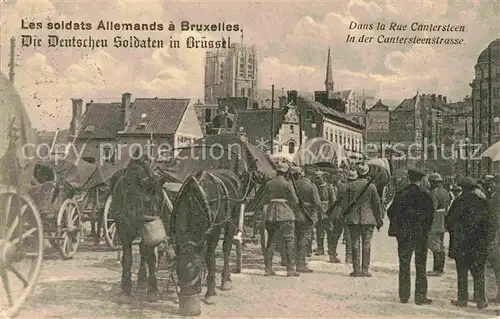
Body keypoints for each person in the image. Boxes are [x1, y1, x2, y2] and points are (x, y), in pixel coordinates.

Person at [447, 177, 497, 309]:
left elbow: (449, 221)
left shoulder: (458, 202)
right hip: (479, 245)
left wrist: (455, 234)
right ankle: (481, 300)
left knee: (462, 273)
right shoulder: (483, 203)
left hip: (461, 244)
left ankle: (462, 299)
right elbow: (491, 224)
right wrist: (487, 240)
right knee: (479, 272)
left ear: (463, 188)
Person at [387, 167, 434, 305]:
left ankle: (404, 295)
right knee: (421, 265)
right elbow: (430, 216)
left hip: (404, 235)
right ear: (421, 179)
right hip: (420, 235)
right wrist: (425, 229)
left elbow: (391, 212)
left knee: (404, 264)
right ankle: (420, 296)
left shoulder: (401, 194)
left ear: (409, 178)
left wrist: (398, 226)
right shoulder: (425, 196)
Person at [252, 162, 300, 276]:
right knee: (289, 241)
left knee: (271, 242)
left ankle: (268, 268)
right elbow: (295, 201)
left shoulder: (269, 184)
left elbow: (264, 200)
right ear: (286, 172)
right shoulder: (288, 184)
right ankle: (291, 269)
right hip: (286, 215)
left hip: (271, 215)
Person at [342, 163, 383, 277]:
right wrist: (379, 220)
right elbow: (376, 205)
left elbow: (345, 204)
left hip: (353, 219)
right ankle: (365, 269)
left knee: (355, 244)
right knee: (367, 244)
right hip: (369, 219)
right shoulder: (372, 186)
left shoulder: (350, 186)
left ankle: (356, 270)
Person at [292, 166, 321, 272]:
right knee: (304, 239)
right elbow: (317, 203)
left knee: (295, 238)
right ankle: (301, 263)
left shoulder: (295, 184)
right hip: (307, 216)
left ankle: (291, 260)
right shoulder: (311, 186)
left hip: (294, 215)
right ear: (312, 175)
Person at [427, 173, 451, 277]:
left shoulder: (434, 193)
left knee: (435, 245)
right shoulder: (445, 192)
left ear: (434, 182)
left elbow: (432, 208)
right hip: (443, 220)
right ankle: (440, 268)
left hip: (436, 221)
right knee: (440, 245)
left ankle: (437, 269)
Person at [314, 170, 337, 262]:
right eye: (316, 178)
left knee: (330, 231)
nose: (317, 180)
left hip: (327, 210)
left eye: (319, 178)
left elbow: (333, 200)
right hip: (318, 211)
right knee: (319, 231)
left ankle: (331, 250)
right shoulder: (315, 186)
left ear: (323, 178)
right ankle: (320, 248)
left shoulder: (329, 186)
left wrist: (331, 212)